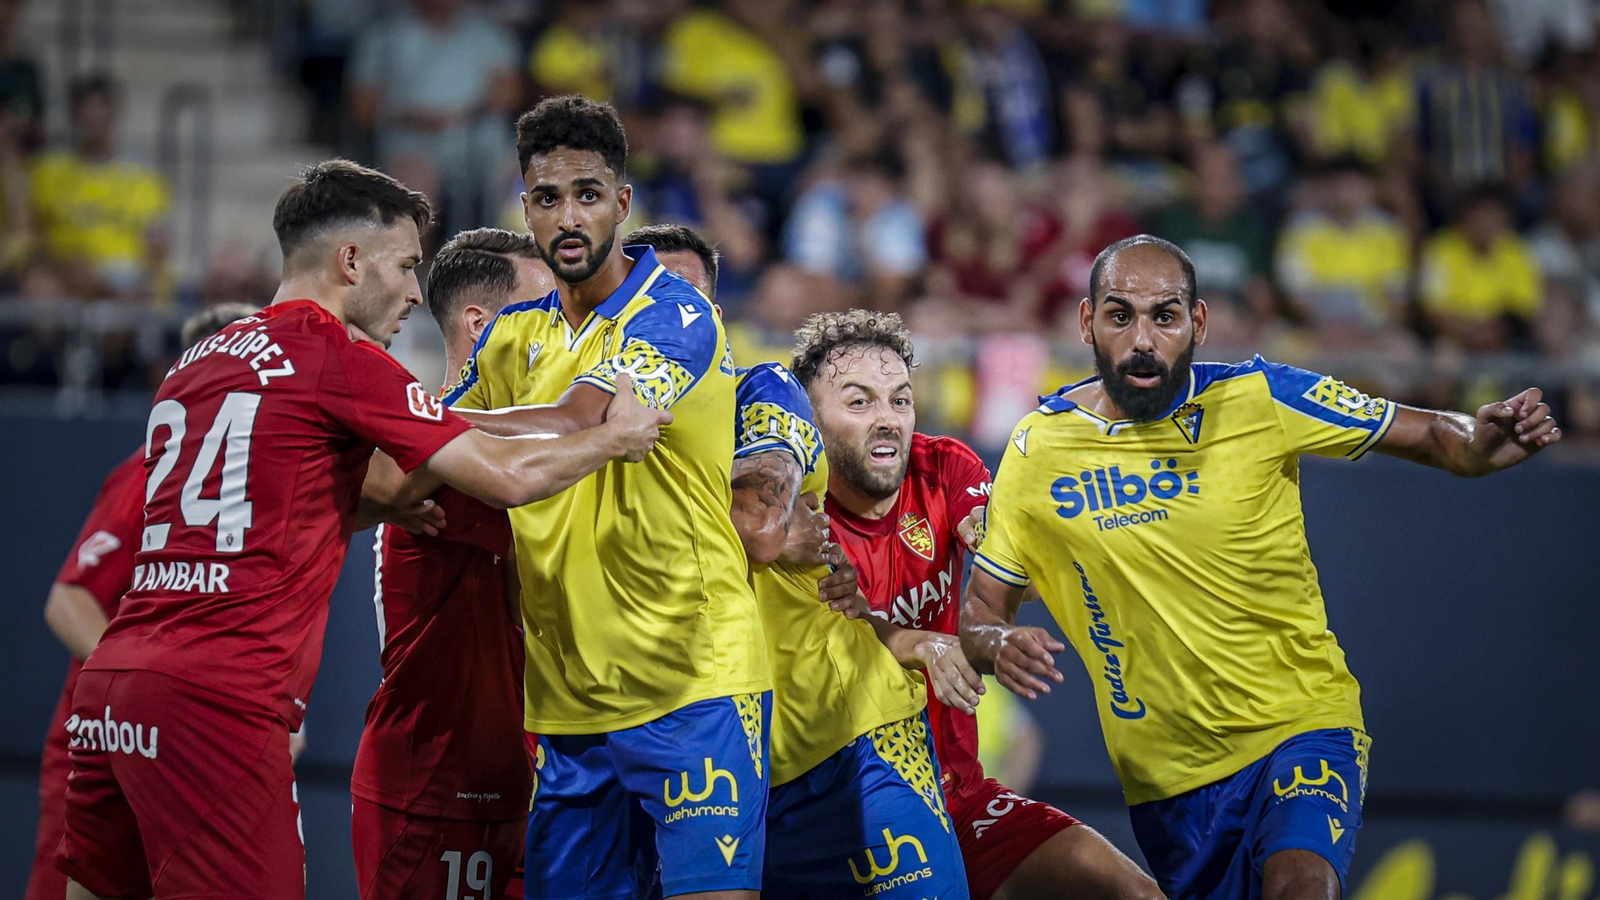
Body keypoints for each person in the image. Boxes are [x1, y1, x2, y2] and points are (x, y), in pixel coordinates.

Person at [55, 159, 668, 900]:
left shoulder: (196, 362)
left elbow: (275, 500)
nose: (416, 290)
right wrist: (614, 438)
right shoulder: (338, 357)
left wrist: (384, 505)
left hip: (113, 686)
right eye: (407, 266)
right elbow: (508, 479)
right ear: (351, 261)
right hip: (221, 695)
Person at [962, 235, 1560, 900]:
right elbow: (982, 610)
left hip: (1300, 723)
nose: (1141, 339)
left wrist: (1479, 442)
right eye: (1119, 314)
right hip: (1171, 781)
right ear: (1085, 322)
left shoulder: (1262, 395)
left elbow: (1432, 435)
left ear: (1199, 323)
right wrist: (997, 641)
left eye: (1164, 315)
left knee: (1302, 885)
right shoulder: (1037, 448)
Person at [440, 96, 771, 900]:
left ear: (622, 204)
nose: (568, 216)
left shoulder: (676, 314)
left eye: (588, 194)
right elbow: (437, 449)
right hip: (568, 703)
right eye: (548, 198)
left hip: (693, 683)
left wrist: (426, 427)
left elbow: (575, 420)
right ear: (526, 209)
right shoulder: (512, 336)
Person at [632, 222, 978, 899]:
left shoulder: (766, 396)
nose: (671, 321)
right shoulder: (603, 427)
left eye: (688, 299)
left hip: (856, 740)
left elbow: (768, 527)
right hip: (717, 755)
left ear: (715, 315)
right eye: (652, 300)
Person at [798, 309, 1162, 900]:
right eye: (859, 403)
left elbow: (1005, 557)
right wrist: (926, 644)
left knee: (1134, 892)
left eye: (900, 399)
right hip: (841, 808)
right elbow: (851, 637)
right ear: (810, 419)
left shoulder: (943, 466)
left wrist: (1016, 589)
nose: (888, 420)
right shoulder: (796, 519)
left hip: (959, 797)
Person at [27, 302, 261, 900]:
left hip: (184, 741)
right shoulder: (154, 473)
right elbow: (68, 600)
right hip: (112, 743)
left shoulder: (242, 480)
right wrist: (155, 683)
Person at [350, 228, 555, 900]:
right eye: (548, 309)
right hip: (437, 788)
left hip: (530, 780)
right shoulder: (435, 467)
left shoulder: (447, 447)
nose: (568, 332)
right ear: (482, 324)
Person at [28, 73, 170, 300]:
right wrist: (62, 265)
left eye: (100, 117)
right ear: (75, 117)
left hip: (123, 279)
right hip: (64, 273)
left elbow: (156, 247)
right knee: (41, 288)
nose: (94, 125)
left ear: (114, 116)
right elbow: (33, 236)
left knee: (128, 297)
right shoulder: (48, 171)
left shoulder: (143, 178)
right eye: (87, 117)